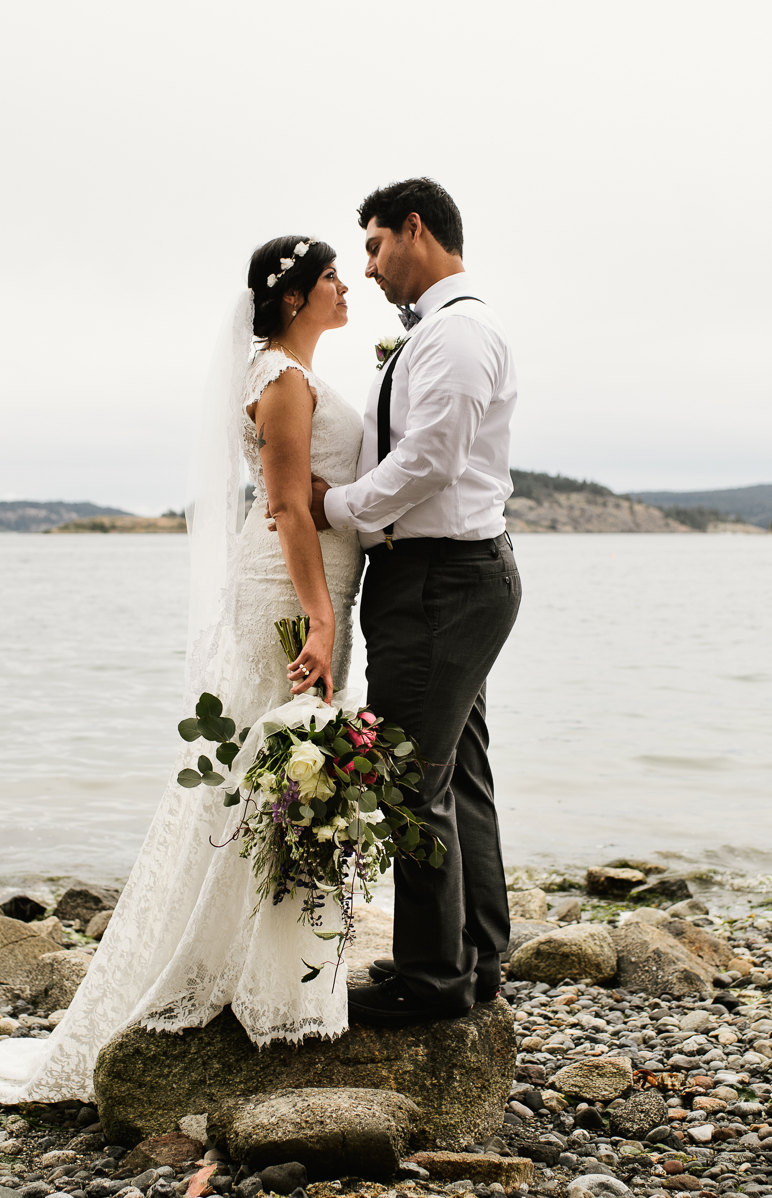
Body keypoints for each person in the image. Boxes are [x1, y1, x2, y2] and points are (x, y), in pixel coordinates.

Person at [0, 236, 365, 1103]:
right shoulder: (281, 383)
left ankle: (274, 973)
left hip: (312, 587)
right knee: (271, 774)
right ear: (297, 296)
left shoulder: (289, 374)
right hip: (295, 595)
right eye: (333, 275)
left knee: (279, 778)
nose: (348, 286)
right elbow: (289, 507)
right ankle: (232, 974)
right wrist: (323, 617)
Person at [309, 177, 523, 1027]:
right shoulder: (439, 333)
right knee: (457, 772)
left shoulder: (459, 334)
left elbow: (430, 460)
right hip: (444, 577)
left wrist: (336, 508)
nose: (365, 268)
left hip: (442, 580)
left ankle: (433, 982)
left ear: (414, 228)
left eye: (371, 245)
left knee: (409, 781)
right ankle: (476, 959)